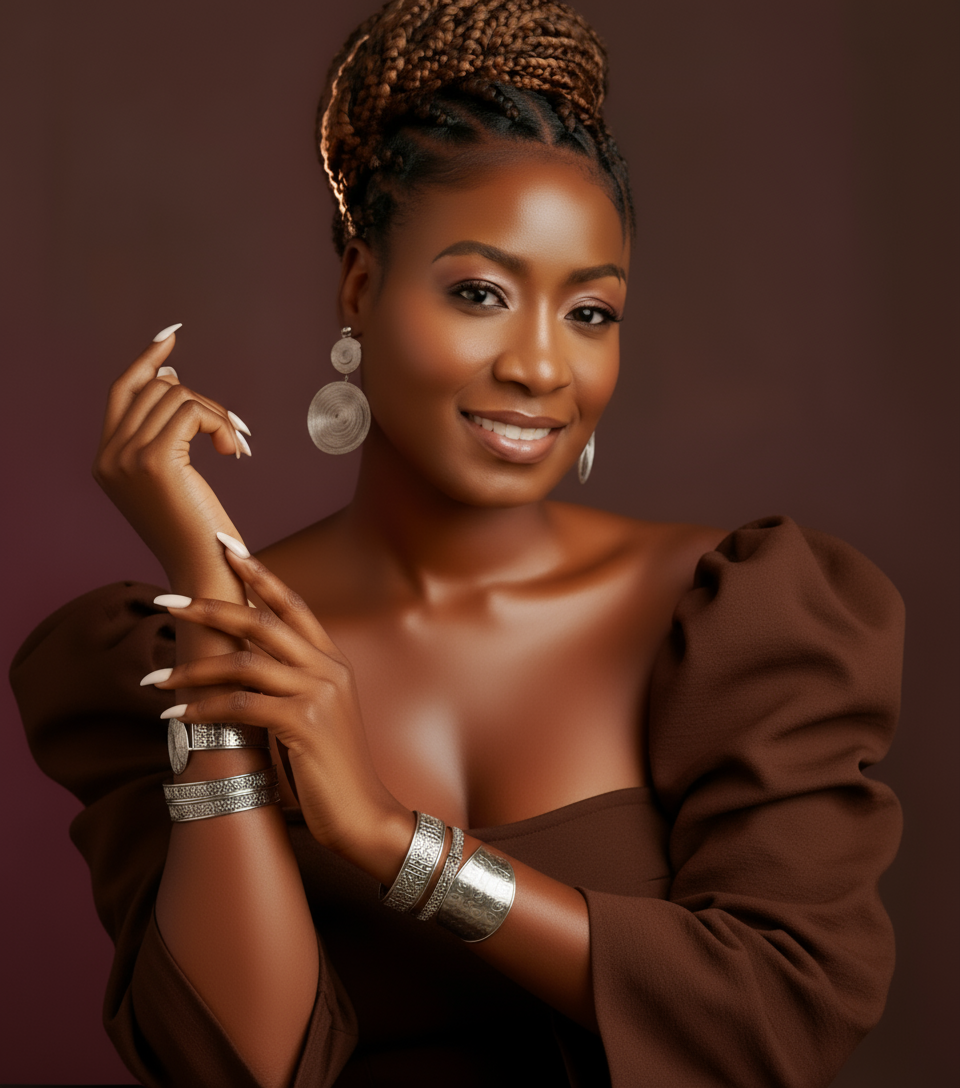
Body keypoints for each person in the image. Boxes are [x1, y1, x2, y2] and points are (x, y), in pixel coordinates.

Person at [10, 1, 904, 1085]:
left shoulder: (734, 614)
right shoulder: (164, 659)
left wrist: (394, 842)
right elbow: (238, 1066)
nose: (541, 366)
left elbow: (779, 1011)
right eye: (480, 293)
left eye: (591, 313)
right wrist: (213, 600)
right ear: (360, 287)